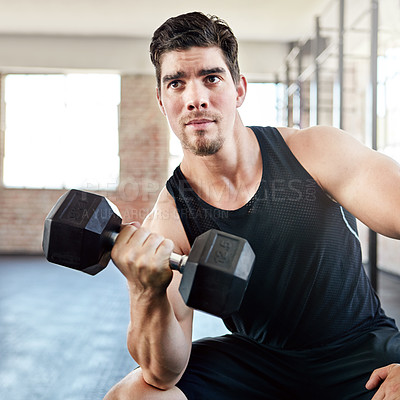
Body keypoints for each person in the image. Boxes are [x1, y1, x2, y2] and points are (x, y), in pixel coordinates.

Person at [104, 11, 400, 400]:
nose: (195, 99)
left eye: (211, 78)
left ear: (239, 89)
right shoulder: (172, 217)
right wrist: (145, 292)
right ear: (162, 101)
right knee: (136, 395)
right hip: (259, 365)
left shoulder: (315, 152)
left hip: (360, 354)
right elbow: (162, 372)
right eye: (177, 84)